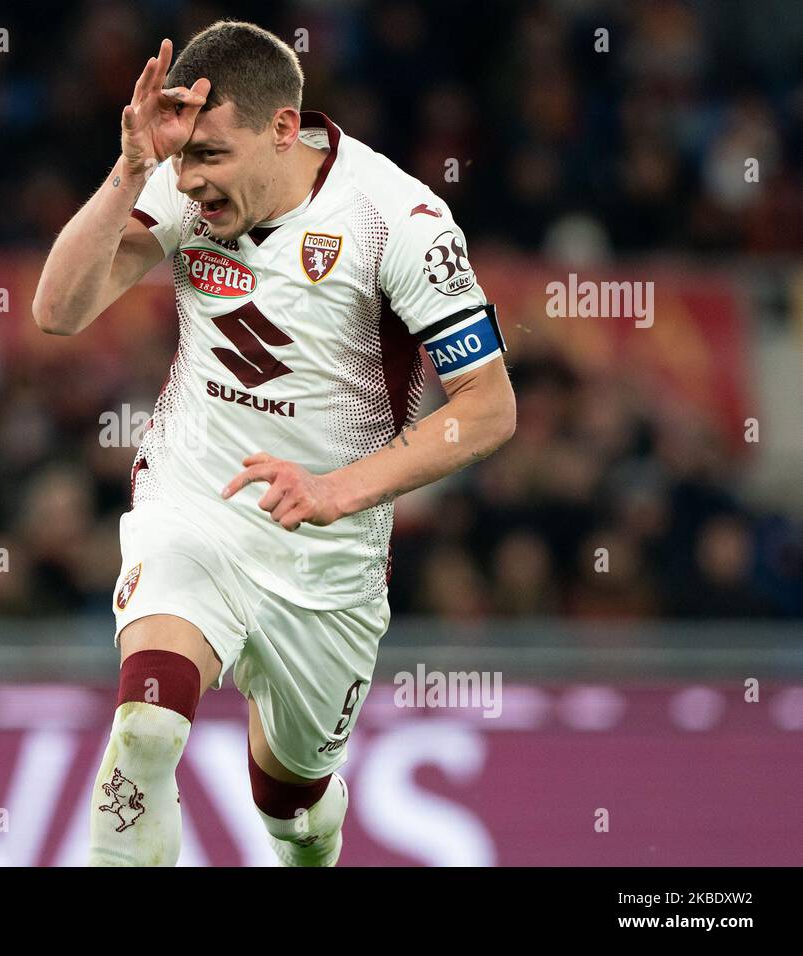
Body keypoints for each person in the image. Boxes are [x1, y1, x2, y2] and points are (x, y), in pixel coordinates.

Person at [33, 19, 516, 867]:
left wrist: (339, 490)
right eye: (182, 158)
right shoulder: (175, 186)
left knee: (289, 807)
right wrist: (129, 172)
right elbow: (57, 312)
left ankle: (307, 830)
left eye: (211, 156)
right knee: (145, 725)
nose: (192, 180)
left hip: (326, 556)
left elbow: (488, 409)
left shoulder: (399, 219)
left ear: (284, 130)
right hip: (195, 500)